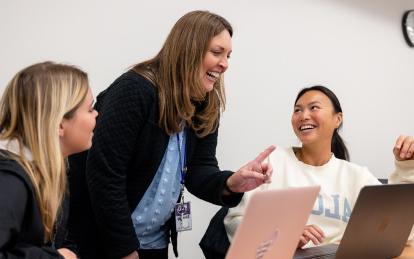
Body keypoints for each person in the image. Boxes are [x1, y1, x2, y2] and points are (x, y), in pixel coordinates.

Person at [66, 10, 274, 259]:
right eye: (216, 52)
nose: (225, 64)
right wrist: (124, 250)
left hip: (154, 242)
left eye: (228, 55)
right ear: (189, 49)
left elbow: (199, 169)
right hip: (104, 243)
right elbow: (104, 176)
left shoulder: (207, 104)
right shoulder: (134, 90)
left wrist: (231, 183)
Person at [224, 85, 414, 249]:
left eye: (313, 107)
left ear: (337, 119)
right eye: (297, 110)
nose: (303, 116)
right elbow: (235, 222)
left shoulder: (356, 175)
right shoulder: (273, 163)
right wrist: (282, 237)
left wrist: (407, 166)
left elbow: (402, 227)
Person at [0, 61, 98, 258]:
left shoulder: (49, 169)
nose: (97, 114)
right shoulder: (9, 181)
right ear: (60, 124)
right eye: (90, 109)